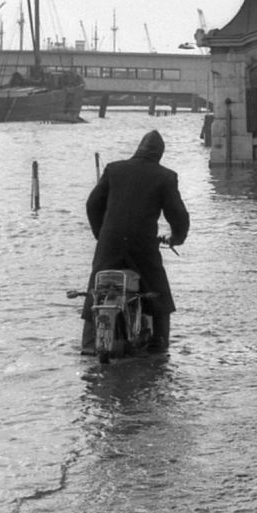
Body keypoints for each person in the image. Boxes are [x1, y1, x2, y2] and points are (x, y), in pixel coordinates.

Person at [83, 130, 190, 353]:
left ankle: (89, 345)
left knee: (96, 291)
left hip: (109, 245)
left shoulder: (114, 169)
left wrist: (100, 234)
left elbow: (93, 204)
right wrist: (177, 238)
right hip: (142, 248)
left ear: (138, 148)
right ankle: (159, 348)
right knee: (159, 297)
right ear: (159, 154)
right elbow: (178, 215)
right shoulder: (165, 177)